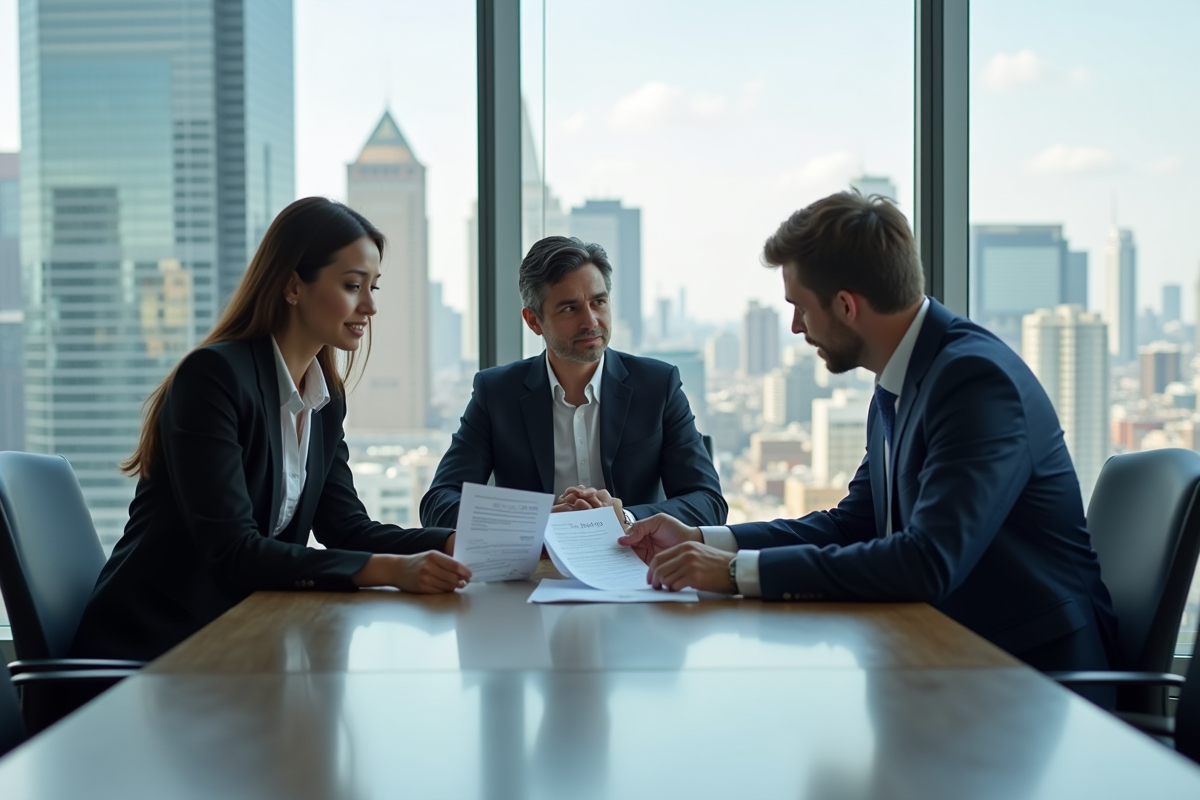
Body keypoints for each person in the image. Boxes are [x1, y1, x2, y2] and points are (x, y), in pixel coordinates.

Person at [619, 191, 1118, 682]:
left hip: (1033, 679)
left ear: (845, 305)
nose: (795, 327)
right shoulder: (902, 379)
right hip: (946, 655)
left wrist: (731, 574)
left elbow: (927, 561)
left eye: (800, 308)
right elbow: (852, 524)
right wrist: (708, 540)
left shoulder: (976, 383)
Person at [72, 197, 472, 663]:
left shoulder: (324, 399)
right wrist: (389, 570)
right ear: (292, 286)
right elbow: (235, 553)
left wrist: (448, 541)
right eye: (351, 285)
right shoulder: (214, 378)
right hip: (154, 648)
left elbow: (346, 527)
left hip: (241, 640)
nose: (369, 306)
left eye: (373, 288)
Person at [421, 235, 725, 530]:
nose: (591, 321)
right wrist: (538, 522)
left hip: (634, 565)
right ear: (533, 321)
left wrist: (627, 519)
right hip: (536, 569)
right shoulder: (497, 393)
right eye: (570, 308)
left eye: (599, 302)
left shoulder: (658, 385)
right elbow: (439, 503)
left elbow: (708, 503)